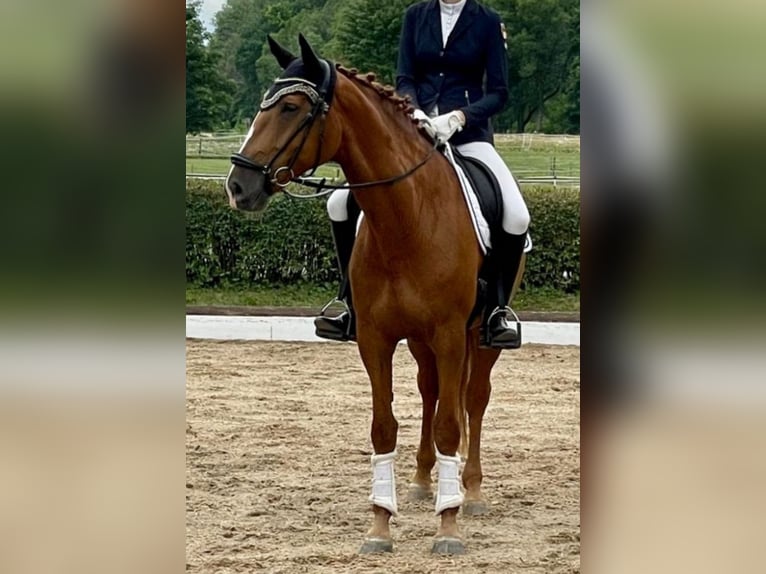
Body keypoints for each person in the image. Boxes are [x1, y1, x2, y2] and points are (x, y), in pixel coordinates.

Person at [314, 0, 530, 348]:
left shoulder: (487, 21)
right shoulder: (416, 15)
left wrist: (461, 117)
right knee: (339, 203)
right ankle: (350, 303)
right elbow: (405, 77)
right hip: (415, 134)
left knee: (517, 215)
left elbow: (499, 93)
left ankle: (496, 311)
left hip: (469, 136)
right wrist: (413, 110)